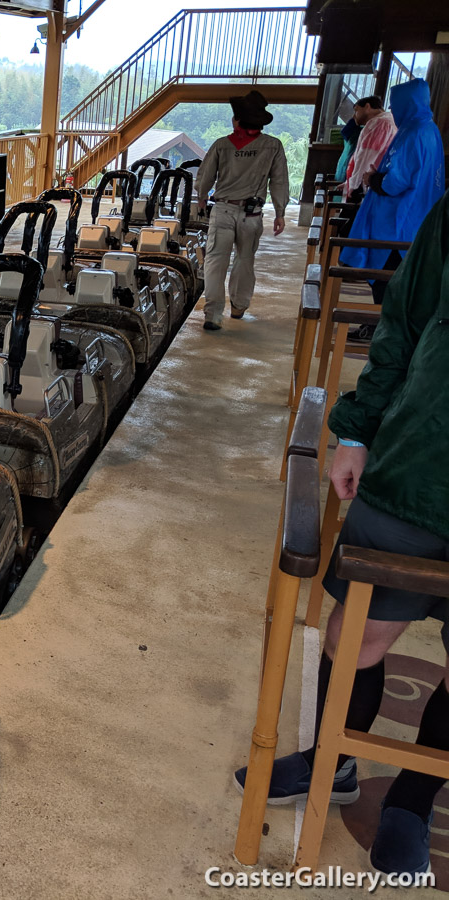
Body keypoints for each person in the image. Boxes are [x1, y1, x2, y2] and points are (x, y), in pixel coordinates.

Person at [235, 190, 449, 878]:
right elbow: (406, 322)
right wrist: (357, 429)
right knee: (352, 635)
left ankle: (412, 804)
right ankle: (338, 755)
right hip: (420, 462)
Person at [340, 79, 444, 339]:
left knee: (386, 277)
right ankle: (380, 327)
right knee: (391, 278)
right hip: (409, 217)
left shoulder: (415, 132)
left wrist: (373, 179)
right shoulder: (426, 130)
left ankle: (379, 330)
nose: (393, 110)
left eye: (396, 104)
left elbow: (398, 181)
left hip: (397, 221)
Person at [194, 90, 289, 331]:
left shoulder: (222, 145)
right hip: (252, 214)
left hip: (224, 209)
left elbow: (205, 177)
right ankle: (238, 306)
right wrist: (280, 212)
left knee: (215, 262)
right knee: (245, 261)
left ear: (237, 120)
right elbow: (279, 181)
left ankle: (213, 315)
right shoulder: (273, 146)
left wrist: (202, 198)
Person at [343, 95, 396, 196]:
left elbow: (366, 159)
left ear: (367, 107)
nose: (354, 116)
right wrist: (348, 183)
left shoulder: (379, 123)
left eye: (356, 110)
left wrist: (354, 186)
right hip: (371, 184)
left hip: (365, 187)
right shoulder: (387, 120)